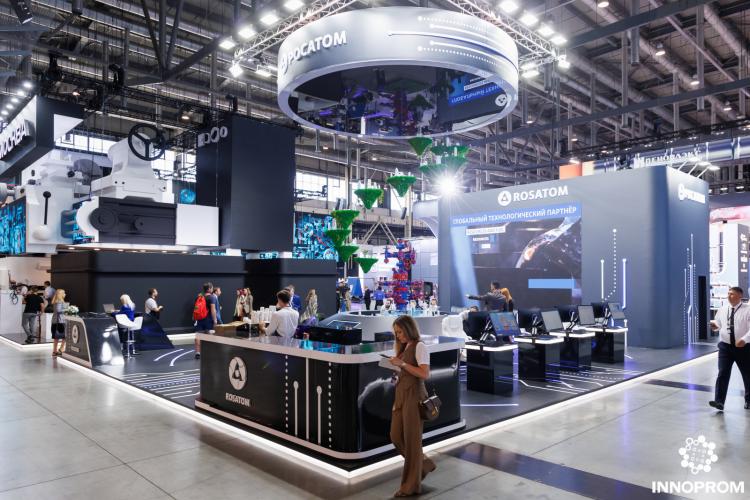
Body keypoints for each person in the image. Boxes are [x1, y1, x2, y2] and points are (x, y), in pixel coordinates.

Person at [388, 315, 436, 496]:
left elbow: (424, 374)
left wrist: (402, 364)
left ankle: (410, 486)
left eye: (400, 332)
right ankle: (424, 464)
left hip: (414, 397)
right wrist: (396, 367)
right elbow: (402, 373)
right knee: (396, 436)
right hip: (401, 396)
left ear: (409, 329)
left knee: (412, 442)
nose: (398, 336)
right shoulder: (403, 347)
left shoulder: (419, 346)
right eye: (396, 333)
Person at [709, 286, 750, 411]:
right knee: (723, 373)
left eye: (732, 294)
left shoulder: (748, 310)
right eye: (728, 293)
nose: (728, 296)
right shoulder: (722, 309)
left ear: (739, 296)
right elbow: (719, 324)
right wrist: (715, 326)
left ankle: (749, 400)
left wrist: (744, 339)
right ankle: (719, 402)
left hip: (743, 347)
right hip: (725, 347)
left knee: (747, 374)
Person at [194, 282, 218, 359]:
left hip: (200, 319)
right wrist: (215, 320)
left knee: (198, 335)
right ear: (209, 289)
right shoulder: (212, 297)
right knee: (210, 335)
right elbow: (213, 310)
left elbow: (196, 309)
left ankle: (198, 353)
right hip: (209, 320)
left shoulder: (199, 297)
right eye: (212, 288)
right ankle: (209, 352)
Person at [51, 289, 67, 357]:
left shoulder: (56, 301)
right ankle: (60, 349)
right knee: (64, 336)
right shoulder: (59, 302)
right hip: (60, 321)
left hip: (56, 321)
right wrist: (67, 309)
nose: (65, 294)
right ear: (61, 294)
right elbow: (58, 310)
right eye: (64, 293)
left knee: (56, 337)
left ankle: (56, 350)